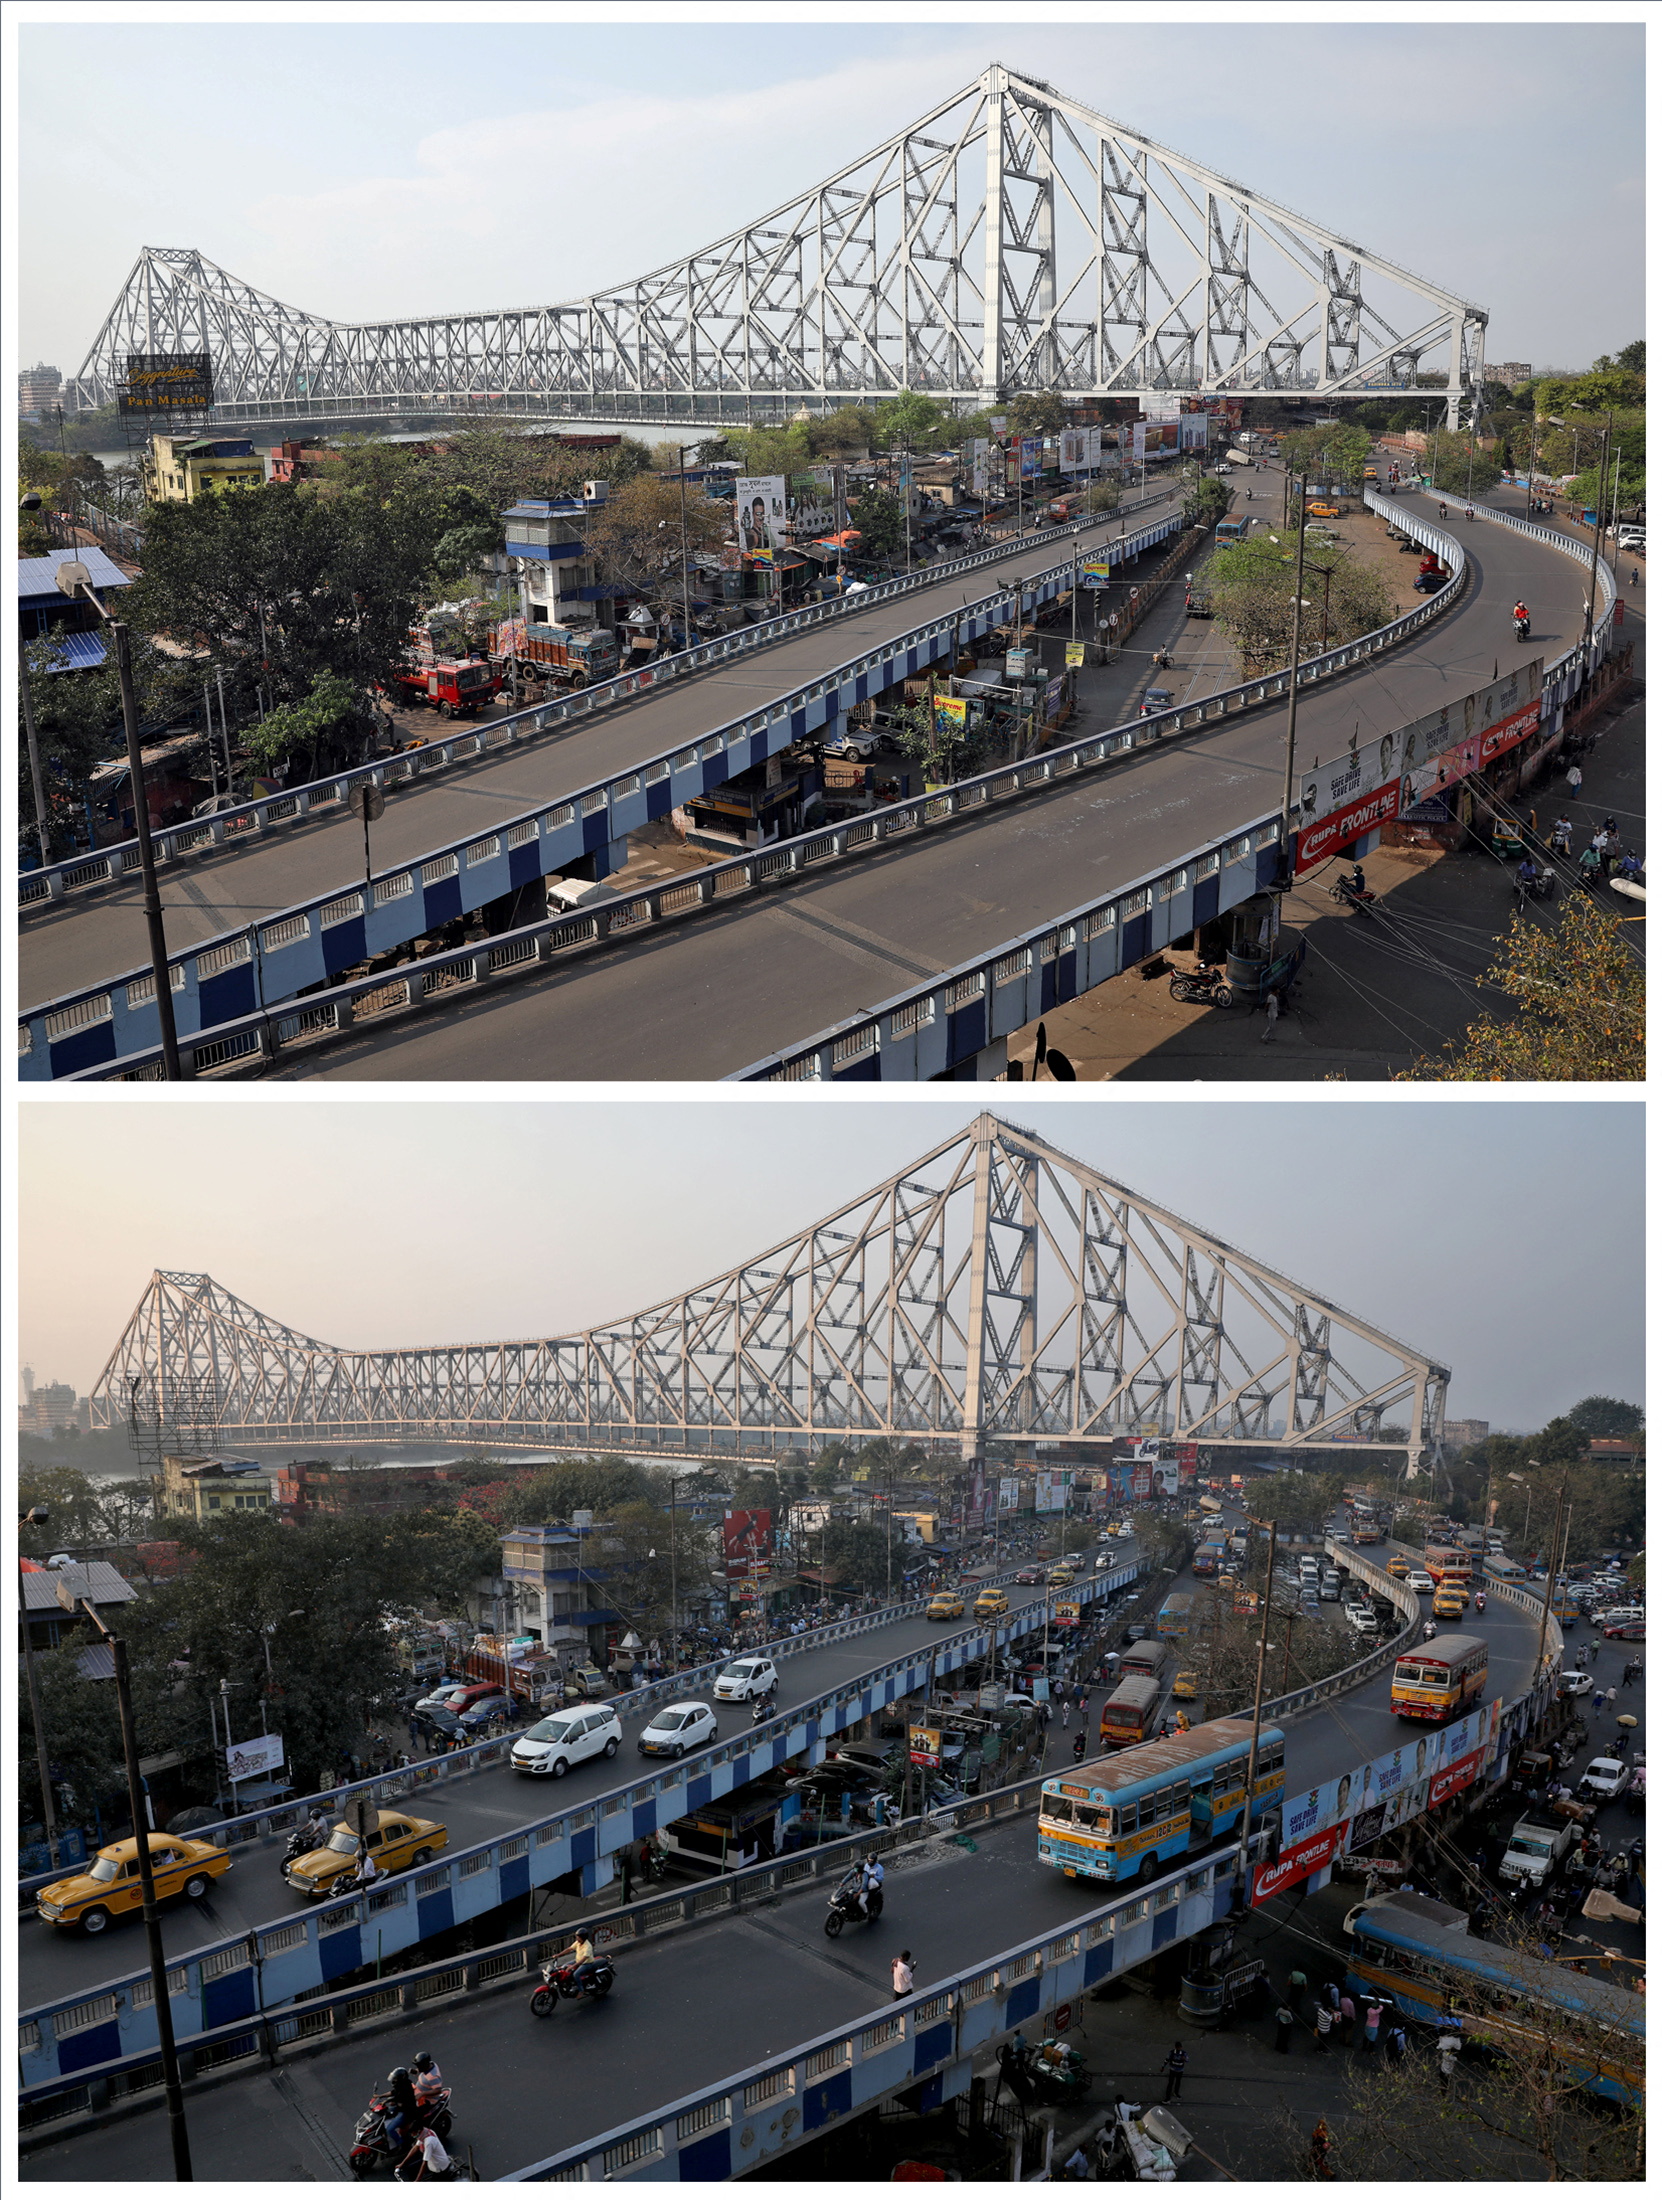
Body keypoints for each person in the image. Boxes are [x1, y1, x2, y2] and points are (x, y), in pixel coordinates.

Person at [381, 2067, 419, 2152]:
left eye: (395, 2078)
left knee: (390, 2129)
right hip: (400, 2107)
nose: (394, 2080)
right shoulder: (401, 2085)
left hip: (406, 2112)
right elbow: (393, 2093)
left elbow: (396, 2098)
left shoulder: (405, 2089)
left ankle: (400, 2143)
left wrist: (387, 2100)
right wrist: (380, 2096)